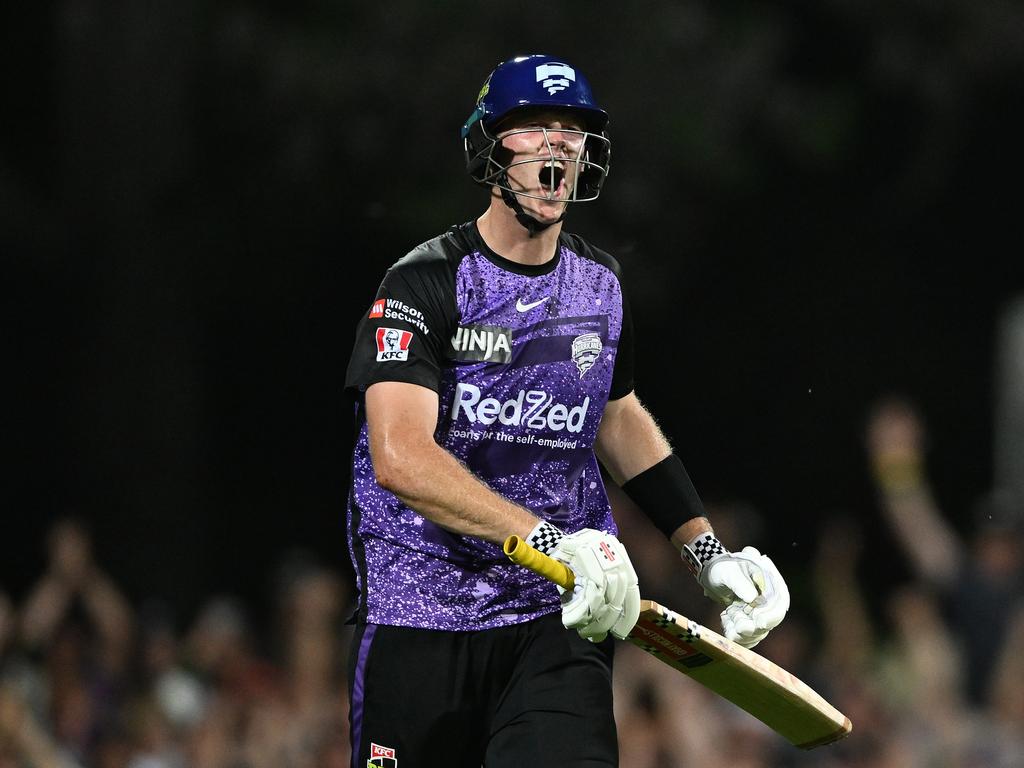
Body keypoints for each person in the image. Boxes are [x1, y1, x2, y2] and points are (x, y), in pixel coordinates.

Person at [343, 54, 790, 767]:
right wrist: (549, 540)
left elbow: (615, 417)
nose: (557, 143)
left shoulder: (600, 286)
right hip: (419, 620)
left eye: (572, 130)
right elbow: (400, 459)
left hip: (558, 620)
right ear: (490, 149)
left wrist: (707, 554)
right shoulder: (422, 283)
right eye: (535, 127)